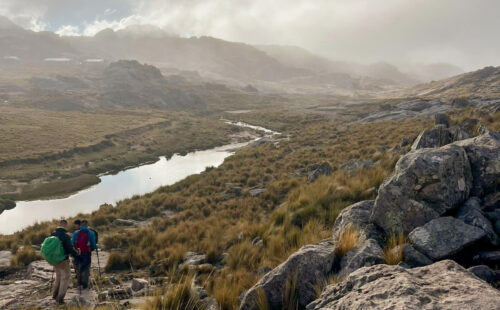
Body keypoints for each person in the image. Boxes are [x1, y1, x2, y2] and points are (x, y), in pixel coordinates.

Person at [51, 219, 79, 304]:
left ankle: (55, 294)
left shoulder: (52, 234)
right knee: (65, 277)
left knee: (58, 276)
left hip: (54, 260)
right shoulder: (65, 236)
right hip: (63, 260)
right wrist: (76, 255)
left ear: (59, 224)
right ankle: (60, 299)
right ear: (65, 225)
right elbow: (70, 249)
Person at [72, 219, 97, 289]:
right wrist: (93, 248)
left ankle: (79, 283)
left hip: (78, 253)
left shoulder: (76, 232)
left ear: (81, 225)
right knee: (86, 268)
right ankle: (85, 284)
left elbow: (72, 243)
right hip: (87, 253)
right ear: (87, 224)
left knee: (78, 268)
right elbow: (94, 244)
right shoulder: (91, 233)